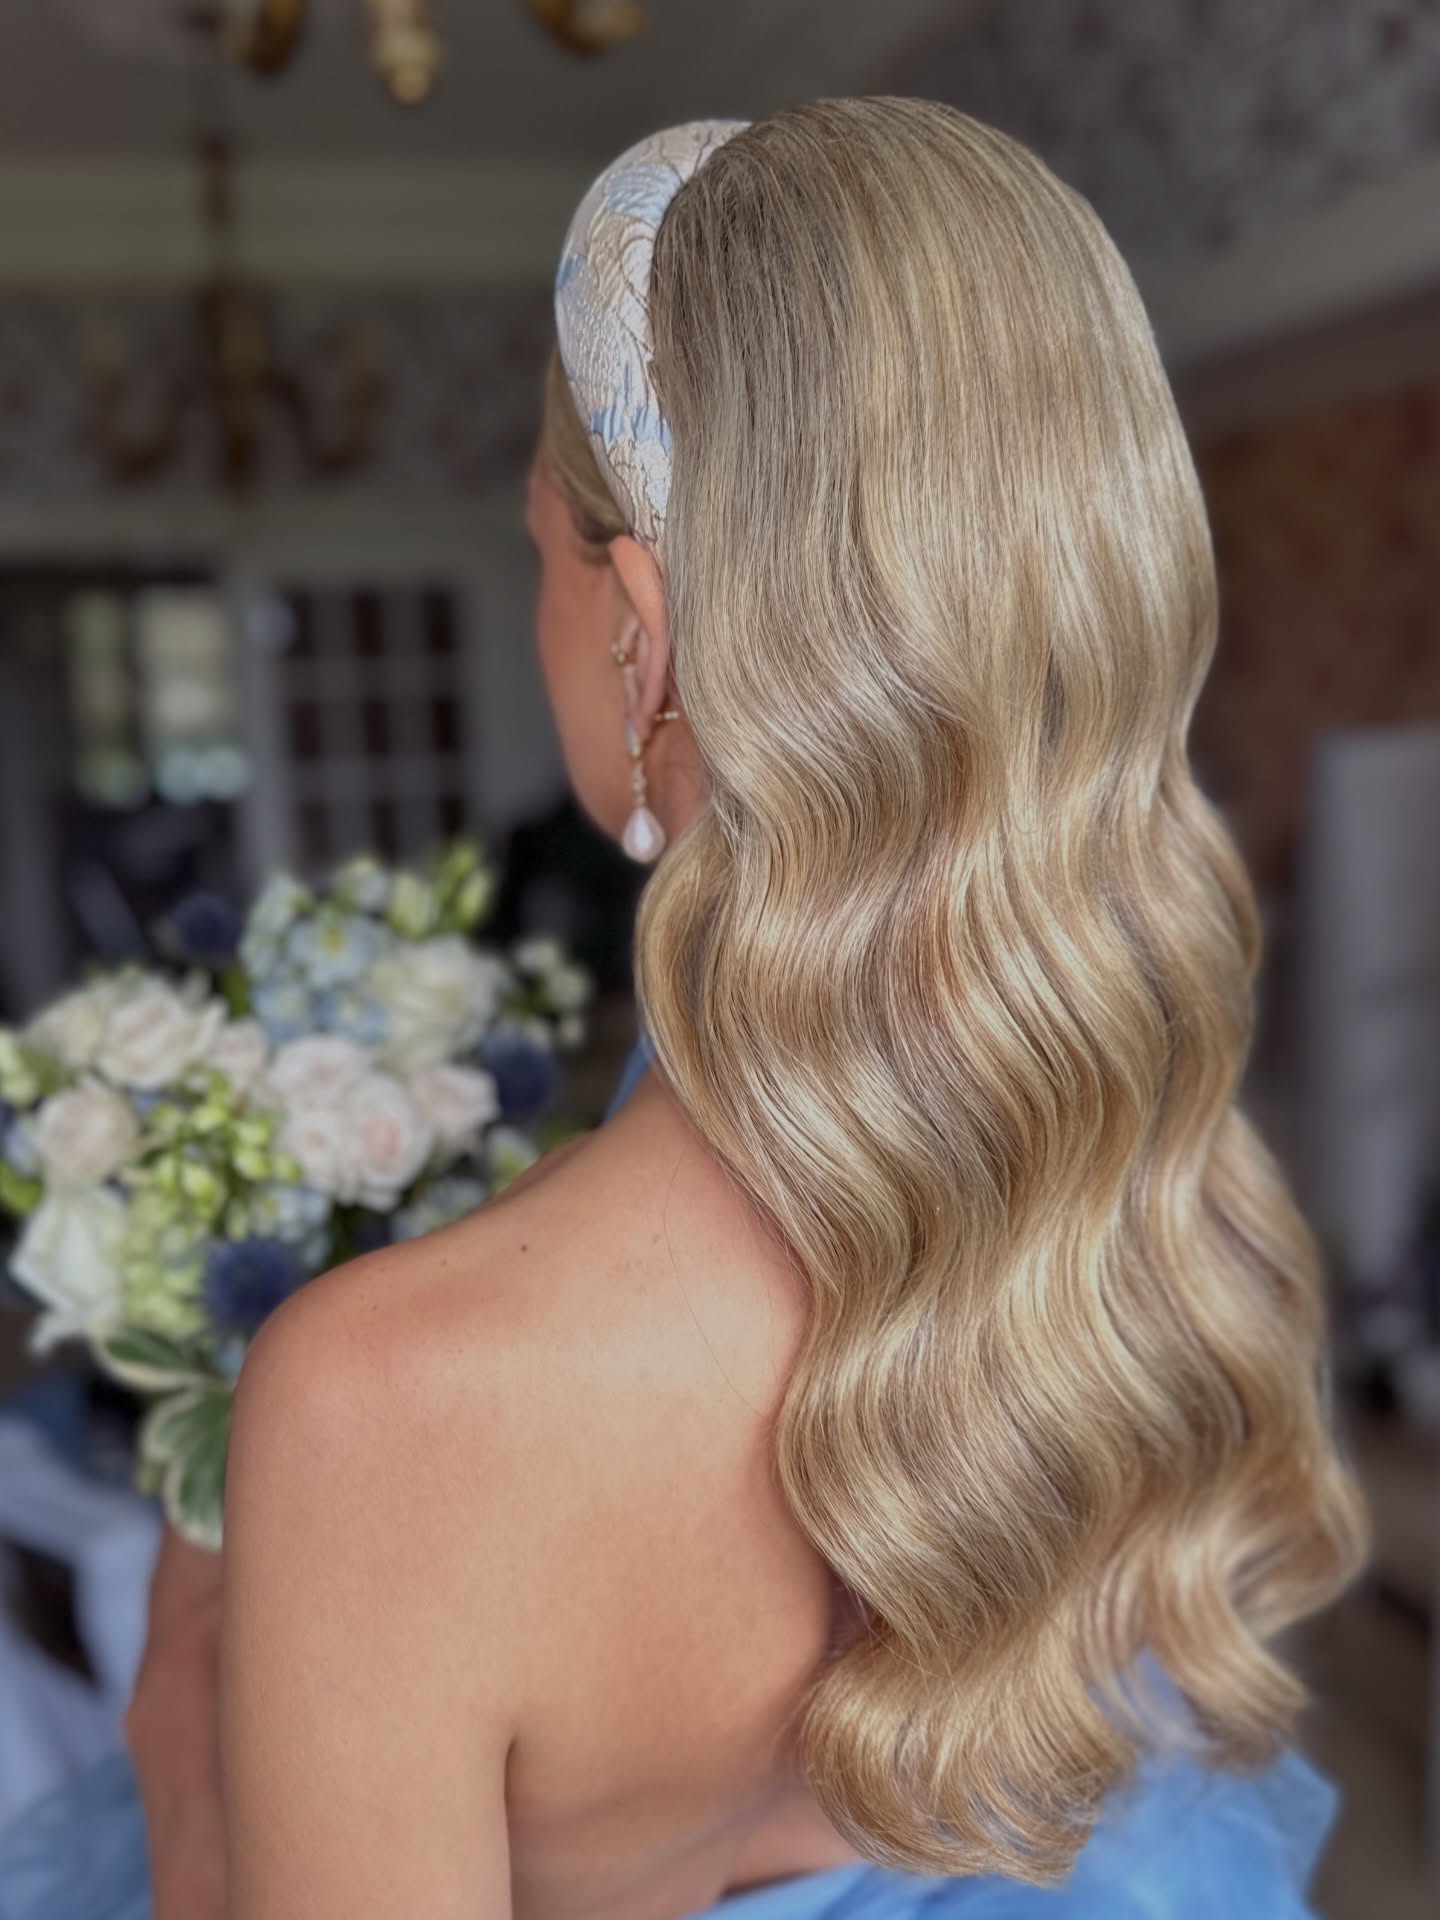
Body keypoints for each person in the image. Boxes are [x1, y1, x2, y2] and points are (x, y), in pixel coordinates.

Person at [0, 98, 1367, 1920]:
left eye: (537, 555)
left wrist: (186, 1768)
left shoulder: (387, 1400)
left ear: (638, 621)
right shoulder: (1145, 1170)